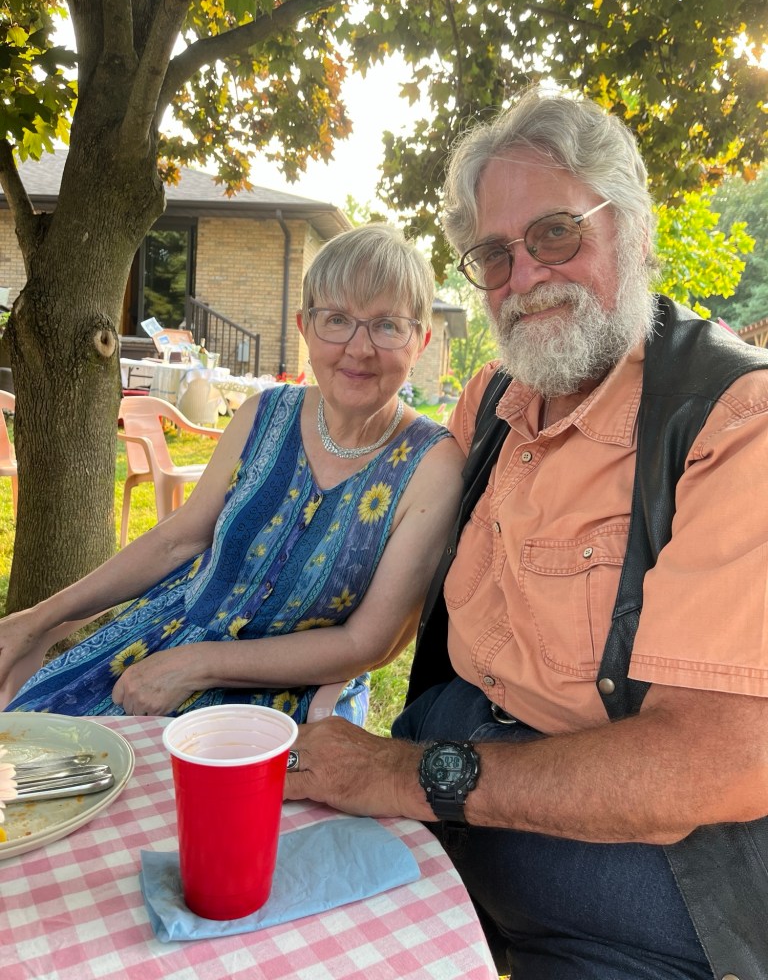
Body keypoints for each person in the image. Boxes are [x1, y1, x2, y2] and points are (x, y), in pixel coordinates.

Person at [283, 87, 768, 979]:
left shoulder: (735, 423)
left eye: (554, 234)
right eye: (495, 255)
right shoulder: (496, 400)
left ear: (633, 231)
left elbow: (715, 762)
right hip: (447, 788)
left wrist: (405, 775)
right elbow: (370, 508)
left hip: (635, 879)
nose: (525, 277)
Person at [0, 223, 464, 722]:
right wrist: (38, 620)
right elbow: (175, 541)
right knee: (32, 742)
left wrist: (196, 665)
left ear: (421, 341)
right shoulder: (264, 414)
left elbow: (367, 643)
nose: (359, 348)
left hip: (288, 693)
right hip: (162, 637)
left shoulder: (432, 466)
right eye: (336, 319)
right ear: (305, 327)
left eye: (387, 326)